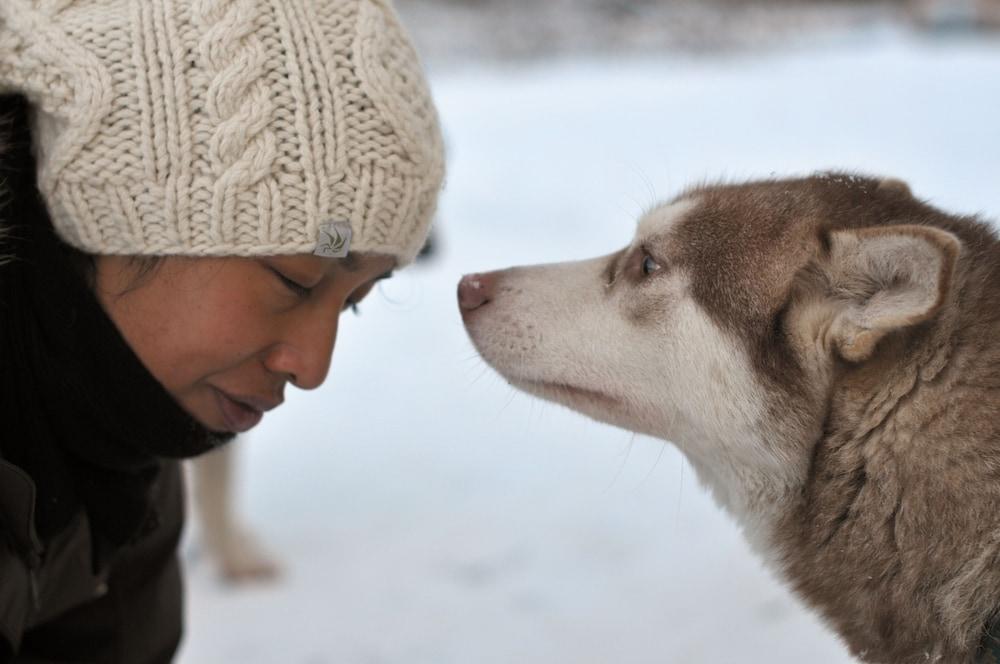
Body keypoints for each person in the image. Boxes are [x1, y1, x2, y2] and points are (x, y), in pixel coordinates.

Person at [0, 0, 444, 660]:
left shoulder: (128, 442)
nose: (314, 367)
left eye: (352, 304)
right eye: (295, 280)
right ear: (108, 212)